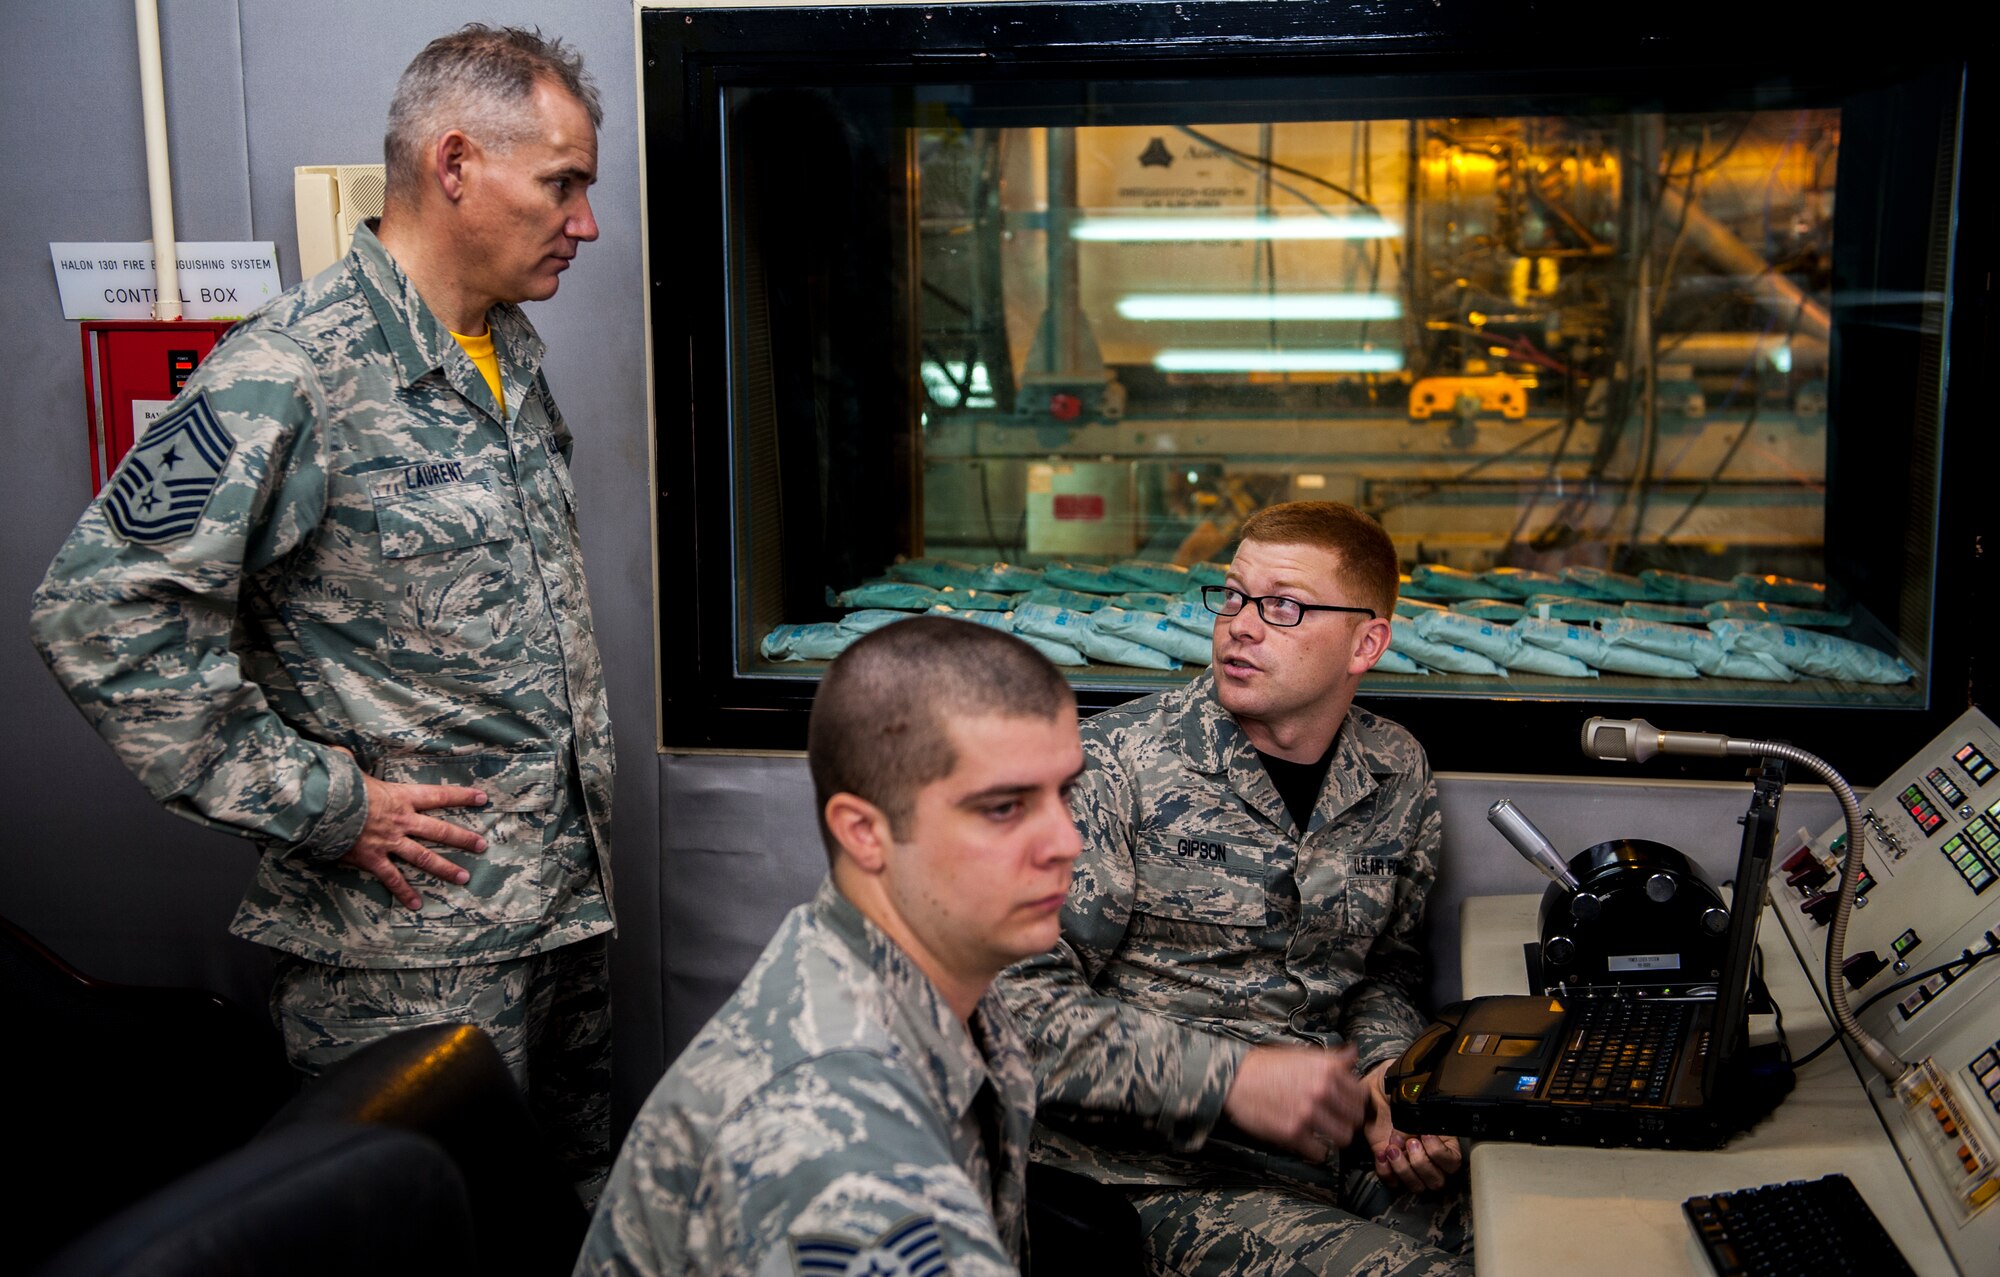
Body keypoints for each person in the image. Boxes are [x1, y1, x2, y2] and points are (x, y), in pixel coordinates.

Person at [29, 25, 617, 1200]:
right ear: (454, 164)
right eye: (563, 182)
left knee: (557, 1220)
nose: (584, 222)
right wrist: (322, 804)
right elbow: (99, 612)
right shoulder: (292, 369)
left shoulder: (504, 348)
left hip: (560, 916)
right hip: (406, 959)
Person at [998, 501, 1473, 1277]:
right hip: (1153, 1170)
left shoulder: (1394, 771)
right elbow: (1016, 1011)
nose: (1242, 625)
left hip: (1336, 1139)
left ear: (1367, 642)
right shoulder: (1113, 765)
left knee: (1541, 1235)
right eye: (1232, 595)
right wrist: (1230, 1081)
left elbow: (1382, 970)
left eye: (1283, 605)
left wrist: (1390, 1076)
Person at [577, 617, 1084, 1276]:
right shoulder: (826, 1134)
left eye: (1065, 792)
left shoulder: (918, 977)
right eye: (1003, 808)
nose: (1066, 841)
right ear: (864, 832)